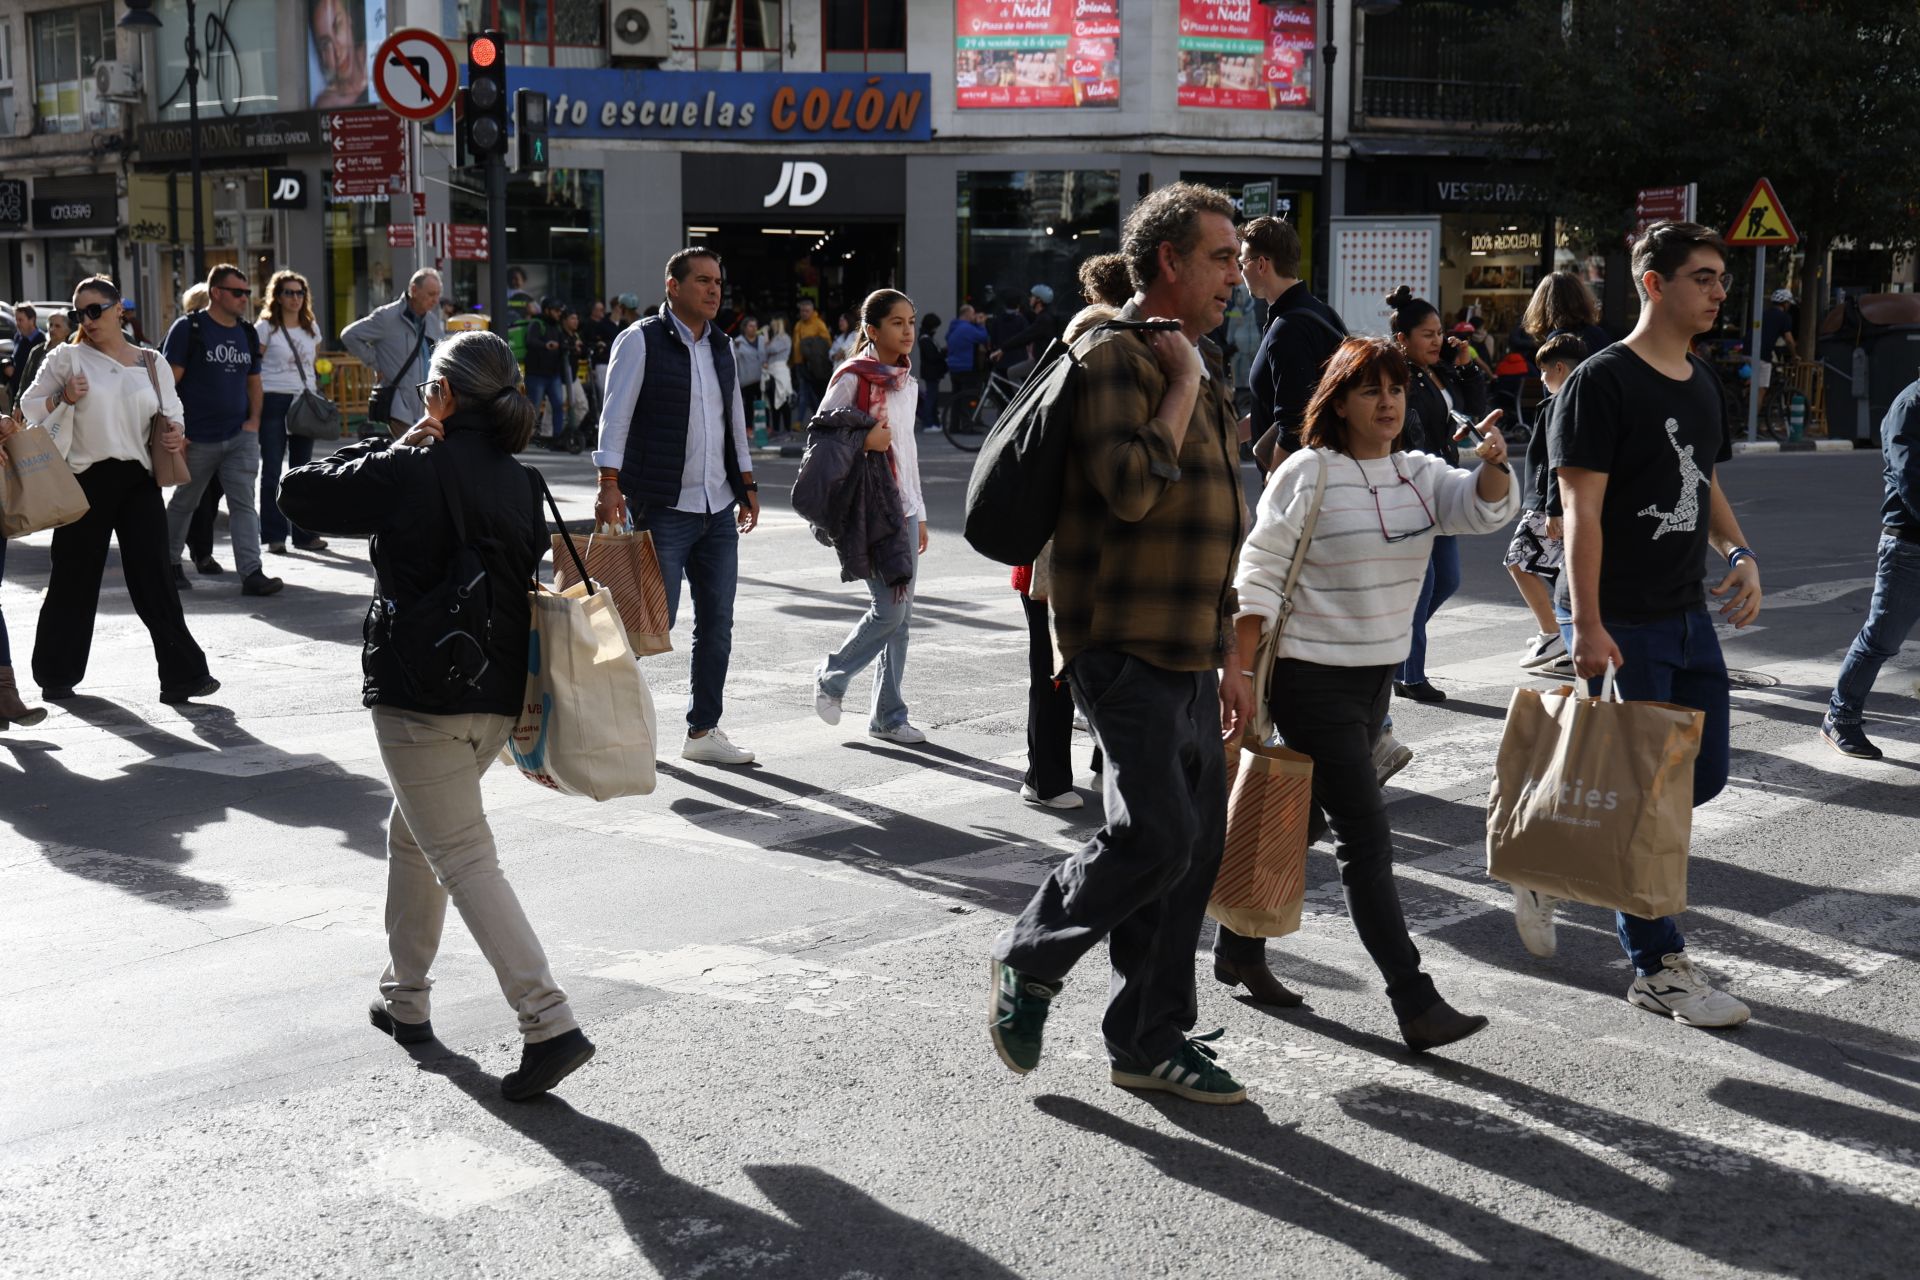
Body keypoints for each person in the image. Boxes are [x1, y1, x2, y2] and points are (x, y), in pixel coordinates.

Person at [277, 330, 595, 1101]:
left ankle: (548, 1021)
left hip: (420, 695)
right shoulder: (523, 482)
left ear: (444, 399)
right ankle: (405, 998)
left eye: (428, 393)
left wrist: (401, 444)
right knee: (414, 835)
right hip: (496, 697)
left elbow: (298, 493)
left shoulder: (410, 466)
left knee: (461, 855)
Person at [991, 182, 1254, 1106]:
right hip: (1120, 638)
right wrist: (1182, 384)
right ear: (1170, 263)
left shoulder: (1197, 358)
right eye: (1221, 258)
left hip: (1189, 642)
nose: (1238, 274)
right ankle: (1030, 957)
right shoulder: (1118, 357)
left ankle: (1149, 1037)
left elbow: (1220, 518)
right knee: (1156, 835)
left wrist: (1233, 653)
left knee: (1191, 850)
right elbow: (1135, 490)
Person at [1223, 336, 1515, 1044]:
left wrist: (1496, 469)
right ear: (1340, 401)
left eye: (1396, 389)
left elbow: (1480, 512)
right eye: (1369, 390)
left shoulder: (1420, 474)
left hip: (1373, 680)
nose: (1387, 403)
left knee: (1308, 820)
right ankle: (1414, 1000)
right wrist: (1237, 672)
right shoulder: (1309, 472)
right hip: (1307, 675)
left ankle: (1238, 945)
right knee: (1366, 838)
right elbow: (1258, 571)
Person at [1534, 220, 1761, 1029]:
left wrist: (1740, 553)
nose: (1718, 291)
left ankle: (1558, 847)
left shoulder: (1699, 382)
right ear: (1654, 284)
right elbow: (1579, 511)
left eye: (1721, 279)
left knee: (1702, 778)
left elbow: (1701, 485)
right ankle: (1657, 965)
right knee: (1646, 797)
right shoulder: (1601, 382)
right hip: (1624, 618)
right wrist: (1586, 624)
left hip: (1687, 612)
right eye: (1703, 277)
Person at [593, 248, 762, 766]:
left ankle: (703, 732)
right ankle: (613, 729)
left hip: (717, 508)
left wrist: (748, 482)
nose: (714, 290)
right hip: (664, 506)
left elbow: (734, 418)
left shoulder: (723, 347)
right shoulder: (640, 340)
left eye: (718, 281)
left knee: (717, 624)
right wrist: (608, 481)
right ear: (673, 285)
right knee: (644, 627)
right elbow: (614, 415)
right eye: (703, 281)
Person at [19, 276, 217, 703]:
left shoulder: (150, 360)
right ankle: (56, 674)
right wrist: (64, 398)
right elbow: (29, 407)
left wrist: (174, 433)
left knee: (155, 577)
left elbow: (172, 410)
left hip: (138, 479)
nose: (86, 320)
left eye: (95, 310)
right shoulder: (66, 358)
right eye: (79, 313)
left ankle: (183, 676)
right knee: (73, 578)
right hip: (84, 479)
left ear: (118, 311)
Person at [1012, 289, 1126, 810]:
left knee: (1107, 668)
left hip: (1092, 562)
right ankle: (1045, 778)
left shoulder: (1102, 400)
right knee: (1054, 672)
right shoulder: (1056, 404)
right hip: (1047, 564)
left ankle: (1106, 767)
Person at [810, 290, 931, 744]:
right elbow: (821, 439)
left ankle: (888, 717)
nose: (907, 331)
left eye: (911, 321)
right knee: (889, 613)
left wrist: (918, 511)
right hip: (867, 509)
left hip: (902, 507)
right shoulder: (853, 377)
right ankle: (832, 676)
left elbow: (908, 452)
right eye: (897, 323)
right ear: (872, 330)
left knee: (903, 619)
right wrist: (863, 442)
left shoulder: (906, 381)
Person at [1387, 285, 1491, 703]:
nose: (1437, 340)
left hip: (1443, 487)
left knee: (1448, 579)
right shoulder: (1398, 378)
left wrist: (1465, 367)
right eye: (1426, 334)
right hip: (1413, 490)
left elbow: (1472, 411)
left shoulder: (1438, 371)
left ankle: (1394, 651)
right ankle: (1411, 674)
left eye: (1439, 332)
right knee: (1424, 582)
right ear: (1402, 340)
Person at [163, 264, 282, 599]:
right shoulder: (189, 329)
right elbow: (168, 381)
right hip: (197, 437)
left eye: (246, 292)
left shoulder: (247, 332)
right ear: (216, 293)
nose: (244, 298)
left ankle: (252, 572)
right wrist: (176, 428)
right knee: (186, 500)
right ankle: (169, 562)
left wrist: (254, 421)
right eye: (237, 292)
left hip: (239, 435)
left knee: (244, 503)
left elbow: (253, 382)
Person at [1821, 374, 1920, 760]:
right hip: (1909, 545)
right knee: (1881, 639)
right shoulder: (1909, 405)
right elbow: (1910, 479)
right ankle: (1840, 717)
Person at [1237, 216, 1348, 469]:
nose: (1240, 271)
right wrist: (1226, 439)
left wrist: (1275, 486)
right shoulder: (1323, 312)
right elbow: (1279, 405)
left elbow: (1293, 424)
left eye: (1242, 262)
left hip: (1305, 486)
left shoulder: (1288, 328)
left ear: (1262, 264)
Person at [1504, 332, 1585, 674]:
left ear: (1561, 368)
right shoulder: (1585, 399)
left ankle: (1552, 633)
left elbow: (1558, 459)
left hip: (1550, 504)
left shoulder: (1560, 404)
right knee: (1567, 577)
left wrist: (1552, 508)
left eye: (1543, 371)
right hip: (1560, 502)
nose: (1540, 379)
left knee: (1518, 561)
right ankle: (1566, 638)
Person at [255, 269, 329, 556]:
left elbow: (312, 364)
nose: (295, 298)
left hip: (304, 402)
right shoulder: (265, 328)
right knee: (272, 470)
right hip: (273, 399)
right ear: (278, 296)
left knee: (303, 471)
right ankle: (274, 536)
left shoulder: (311, 328)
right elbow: (254, 368)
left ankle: (304, 534)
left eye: (300, 292)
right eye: (289, 292)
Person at [342, 268, 445, 436]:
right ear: (414, 290)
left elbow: (442, 352)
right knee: (413, 454)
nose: (435, 300)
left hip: (426, 403)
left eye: (438, 295)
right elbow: (349, 335)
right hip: (399, 404)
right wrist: (376, 363)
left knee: (420, 456)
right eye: (431, 294)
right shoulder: (386, 317)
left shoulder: (431, 321)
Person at [990, 284, 1062, 383]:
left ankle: (1021, 399)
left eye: (1032, 297)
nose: (1029, 299)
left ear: (1039, 300)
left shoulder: (1044, 320)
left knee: (1012, 372)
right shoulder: (1044, 316)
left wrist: (1003, 349)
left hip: (1042, 362)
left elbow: (1025, 336)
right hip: (1042, 360)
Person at [522, 296, 570, 446]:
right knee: (533, 408)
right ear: (548, 310)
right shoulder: (537, 323)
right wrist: (545, 345)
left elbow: (563, 344)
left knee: (558, 406)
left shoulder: (557, 326)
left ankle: (557, 438)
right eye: (556, 311)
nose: (558, 314)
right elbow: (530, 341)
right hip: (536, 375)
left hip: (553, 374)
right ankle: (525, 437)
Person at [309, 0, 369, 108]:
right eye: (325, 44)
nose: (337, 51)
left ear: (349, 19)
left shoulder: (378, 56)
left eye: (337, 27)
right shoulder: (327, 104)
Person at [944, 304, 990, 422]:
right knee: (967, 397)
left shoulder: (953, 326)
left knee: (956, 398)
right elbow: (983, 337)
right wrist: (981, 324)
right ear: (967, 314)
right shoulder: (967, 328)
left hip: (953, 366)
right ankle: (966, 424)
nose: (974, 316)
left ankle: (954, 426)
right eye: (973, 313)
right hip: (965, 367)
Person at [790, 298, 832, 421]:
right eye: (802, 311)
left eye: (807, 311)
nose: (804, 313)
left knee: (806, 392)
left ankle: (799, 421)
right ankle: (818, 417)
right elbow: (795, 344)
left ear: (812, 311)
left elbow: (827, 343)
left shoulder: (819, 324)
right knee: (808, 393)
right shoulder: (798, 325)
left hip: (812, 365)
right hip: (799, 363)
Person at [582, 299, 619, 429]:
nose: (601, 312)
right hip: (599, 362)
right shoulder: (588, 325)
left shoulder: (606, 324)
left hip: (609, 361)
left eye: (602, 309)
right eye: (598, 309)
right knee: (602, 393)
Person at [13, 310, 67, 397]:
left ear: (67, 330)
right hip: (36, 402)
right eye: (50, 325)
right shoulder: (37, 351)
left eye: (57, 326)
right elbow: (25, 381)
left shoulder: (71, 351)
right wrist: (18, 405)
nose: (52, 329)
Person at [732, 316, 767, 433]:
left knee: (764, 404)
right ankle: (748, 428)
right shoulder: (738, 342)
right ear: (745, 328)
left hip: (762, 379)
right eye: (751, 326)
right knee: (748, 406)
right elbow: (733, 360)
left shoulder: (762, 340)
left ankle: (763, 428)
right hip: (747, 379)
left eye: (755, 326)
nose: (754, 328)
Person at [914, 312, 946, 428]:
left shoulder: (925, 337)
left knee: (933, 398)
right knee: (931, 398)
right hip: (931, 372)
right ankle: (928, 423)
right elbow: (932, 356)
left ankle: (934, 422)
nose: (936, 329)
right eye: (935, 326)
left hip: (931, 372)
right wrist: (943, 353)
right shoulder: (925, 339)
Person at [8, 304, 44, 406]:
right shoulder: (18, 337)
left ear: (32, 320)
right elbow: (15, 358)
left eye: (20, 320)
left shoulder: (41, 341)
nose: (17, 324)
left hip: (32, 397)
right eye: (16, 320)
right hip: (16, 393)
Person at [763, 316, 794, 436]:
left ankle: (787, 429)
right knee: (773, 401)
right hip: (771, 371)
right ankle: (776, 429)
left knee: (782, 400)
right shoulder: (776, 338)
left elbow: (770, 349)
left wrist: (765, 336)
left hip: (780, 372)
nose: (771, 327)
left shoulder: (784, 338)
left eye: (773, 324)